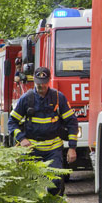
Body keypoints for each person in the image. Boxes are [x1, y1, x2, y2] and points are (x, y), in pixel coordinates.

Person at [8, 67, 77, 195]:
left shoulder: (58, 98)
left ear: (49, 81)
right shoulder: (26, 99)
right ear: (34, 81)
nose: (42, 85)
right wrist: (22, 139)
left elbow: (72, 122)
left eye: (44, 82)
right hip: (31, 150)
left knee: (55, 183)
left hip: (53, 149)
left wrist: (72, 147)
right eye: (39, 82)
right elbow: (12, 122)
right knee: (29, 186)